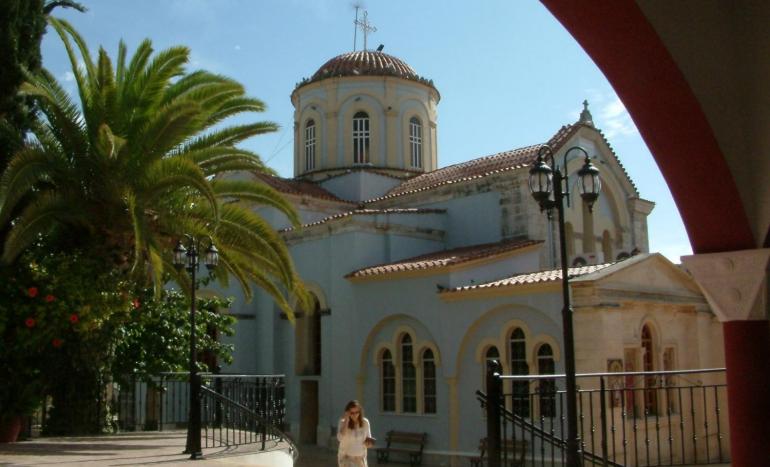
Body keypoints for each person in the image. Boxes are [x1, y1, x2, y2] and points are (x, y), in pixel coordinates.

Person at [337, 400, 374, 467]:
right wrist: (346, 421)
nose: (355, 415)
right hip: (347, 459)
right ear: (347, 413)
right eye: (352, 413)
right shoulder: (342, 422)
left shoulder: (365, 422)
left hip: (360, 459)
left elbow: (368, 439)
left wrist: (369, 444)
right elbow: (340, 438)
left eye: (357, 412)